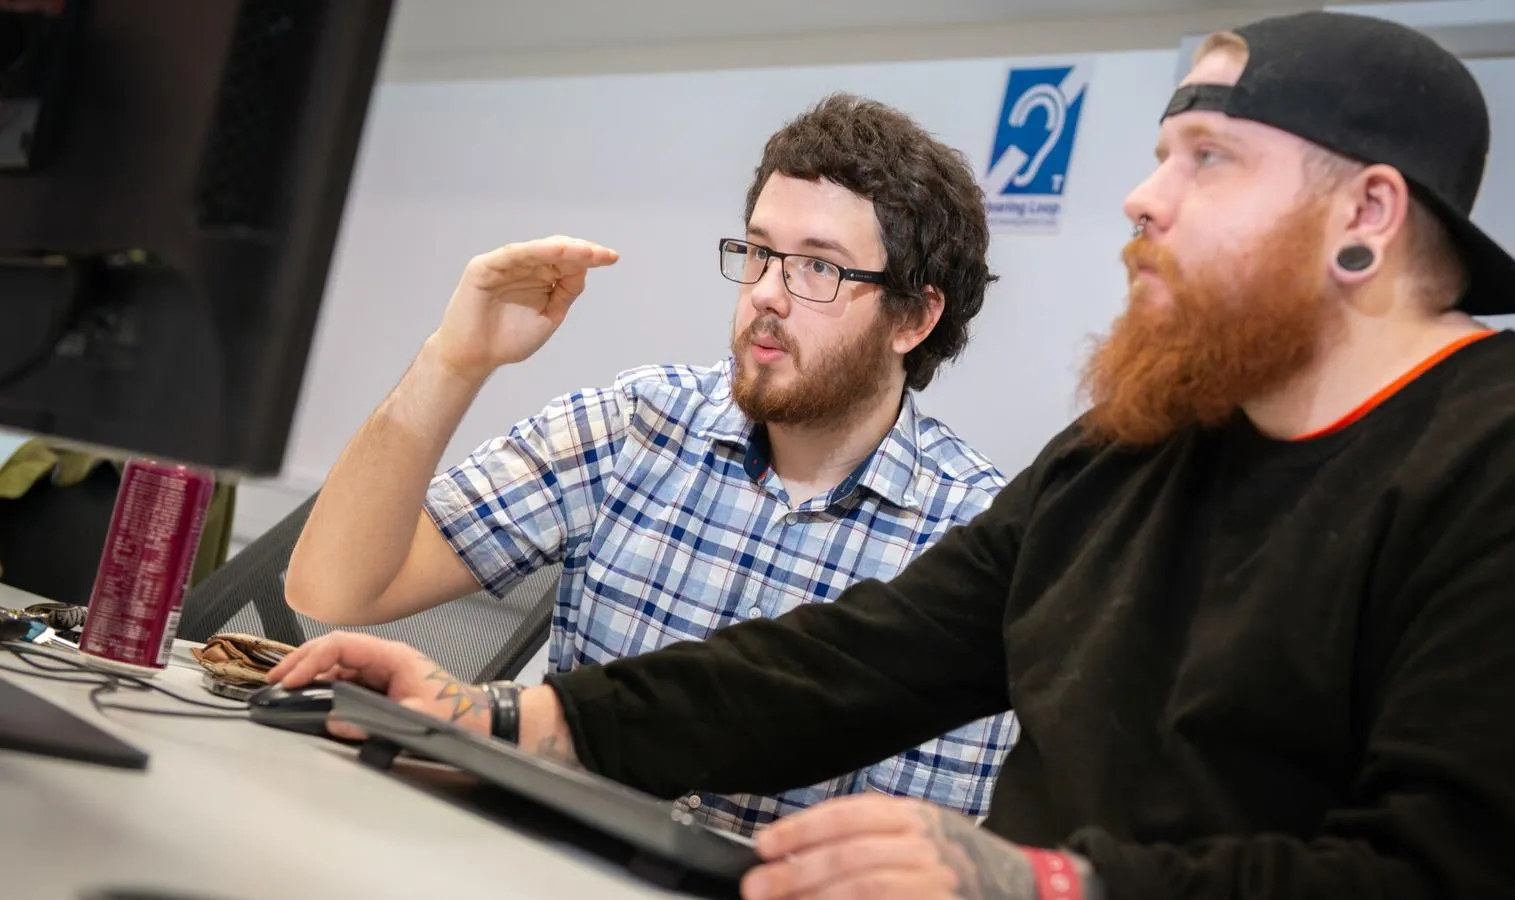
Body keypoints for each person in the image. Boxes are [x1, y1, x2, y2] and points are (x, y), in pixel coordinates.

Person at [272, 10, 1515, 900]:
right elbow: (853, 663)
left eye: (1208, 159)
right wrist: (507, 718)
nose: (1144, 197)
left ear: (1367, 212)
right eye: (1159, 155)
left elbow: (1462, 869)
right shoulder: (1137, 451)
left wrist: (1044, 884)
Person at [282, 93, 1018, 836]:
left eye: (818, 268)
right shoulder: (641, 423)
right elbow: (332, 589)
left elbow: (932, 858)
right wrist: (453, 361)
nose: (766, 293)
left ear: (912, 318)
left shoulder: (978, 542)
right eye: (759, 253)